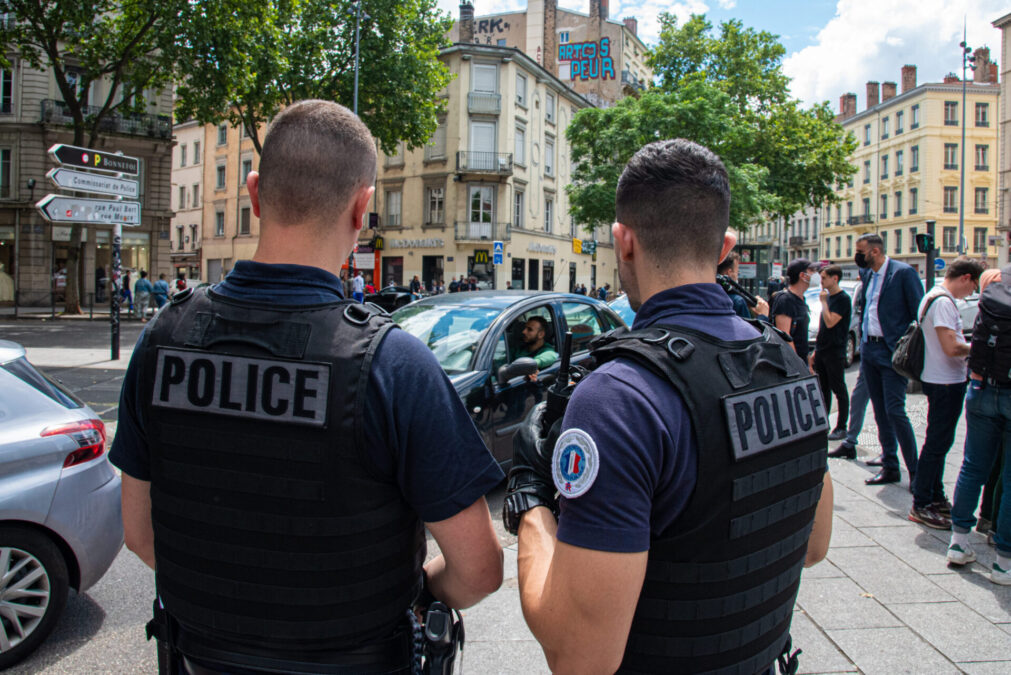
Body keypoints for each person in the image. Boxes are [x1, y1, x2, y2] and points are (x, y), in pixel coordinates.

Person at [112, 100, 504, 673]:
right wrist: (413, 596)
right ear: (362, 206)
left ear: (253, 193)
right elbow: (480, 569)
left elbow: (140, 534)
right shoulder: (392, 365)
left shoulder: (162, 337)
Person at [504, 139, 833, 674]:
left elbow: (580, 657)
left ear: (623, 241)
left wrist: (531, 501)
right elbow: (814, 545)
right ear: (725, 245)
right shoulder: (788, 366)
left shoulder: (620, 399)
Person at [948, 263, 1011, 585]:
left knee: (972, 466)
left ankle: (958, 543)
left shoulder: (994, 284)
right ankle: (1003, 563)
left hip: (982, 388)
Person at [906, 258, 981, 528]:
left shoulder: (933, 297)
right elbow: (951, 347)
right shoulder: (943, 302)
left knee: (939, 442)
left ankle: (934, 496)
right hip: (945, 380)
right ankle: (922, 502)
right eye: (972, 288)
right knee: (937, 444)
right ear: (966, 278)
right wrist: (976, 346)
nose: (970, 294)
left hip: (939, 378)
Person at [854, 233, 924, 486]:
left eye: (860, 251)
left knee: (895, 410)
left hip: (891, 352)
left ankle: (915, 472)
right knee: (880, 412)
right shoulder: (868, 275)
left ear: (874, 251)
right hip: (869, 350)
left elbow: (919, 312)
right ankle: (890, 466)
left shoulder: (903, 273)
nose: (857, 255)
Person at [811, 265, 851, 442]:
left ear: (835, 278)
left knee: (838, 388)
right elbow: (822, 327)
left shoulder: (842, 299)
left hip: (835, 350)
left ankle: (841, 426)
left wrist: (824, 303)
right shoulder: (828, 297)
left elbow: (830, 322)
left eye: (824, 278)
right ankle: (824, 423)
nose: (822, 282)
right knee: (823, 388)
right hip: (822, 349)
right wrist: (816, 350)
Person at [770, 258, 818, 360]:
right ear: (802, 276)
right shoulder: (785, 300)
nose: (815, 275)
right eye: (812, 271)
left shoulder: (801, 298)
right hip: (793, 365)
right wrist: (798, 364)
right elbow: (785, 337)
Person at [716, 251, 770, 320]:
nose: (737, 276)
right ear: (729, 273)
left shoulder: (708, 294)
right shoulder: (737, 301)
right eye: (737, 272)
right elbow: (749, 330)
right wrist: (762, 316)